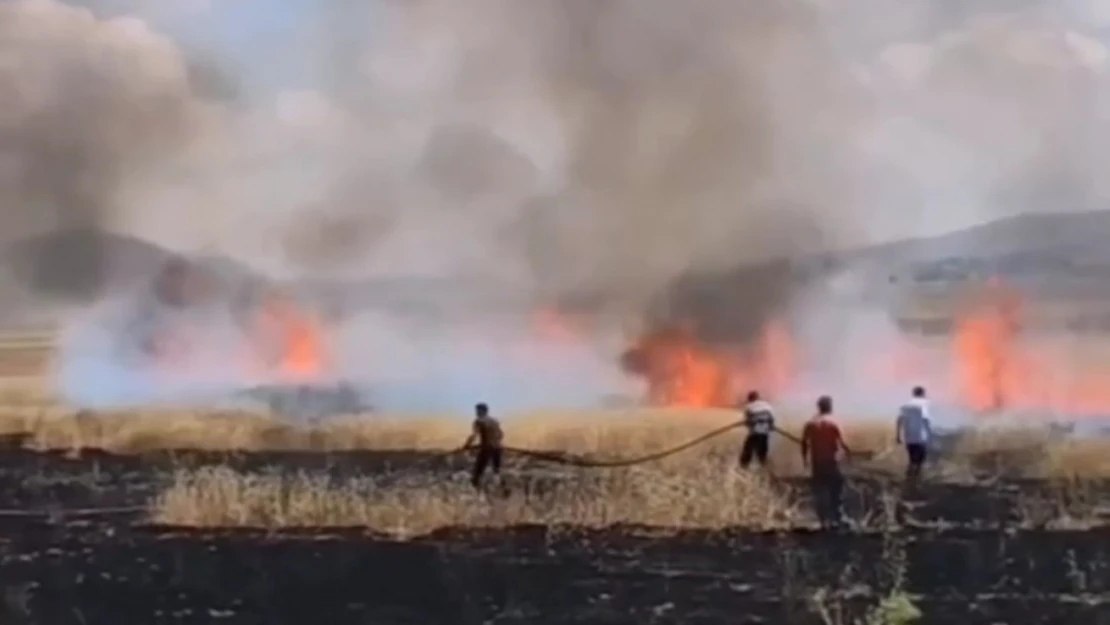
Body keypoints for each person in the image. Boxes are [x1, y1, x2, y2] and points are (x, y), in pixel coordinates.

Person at [801, 395, 852, 529]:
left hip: (817, 462)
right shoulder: (833, 423)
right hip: (831, 461)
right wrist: (848, 454)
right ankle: (837, 516)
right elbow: (843, 442)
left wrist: (805, 460)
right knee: (836, 487)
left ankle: (822, 520)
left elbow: (804, 443)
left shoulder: (811, 423)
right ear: (829, 407)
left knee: (819, 490)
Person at [461, 402, 504, 489]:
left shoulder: (479, 421)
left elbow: (474, 435)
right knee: (496, 470)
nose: (476, 413)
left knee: (478, 471)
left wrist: (466, 446)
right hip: (498, 448)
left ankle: (476, 490)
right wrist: (495, 442)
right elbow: (501, 435)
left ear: (482, 411)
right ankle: (501, 488)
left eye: (477, 411)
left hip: (486, 449)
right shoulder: (495, 421)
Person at [896, 386, 933, 482]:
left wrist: (898, 436)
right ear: (922, 393)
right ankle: (915, 480)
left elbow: (899, 420)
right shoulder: (924, 404)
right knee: (920, 462)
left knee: (912, 461)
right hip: (921, 438)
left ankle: (909, 479)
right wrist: (930, 436)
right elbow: (926, 420)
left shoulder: (905, 406)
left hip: (909, 438)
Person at [739, 390, 775, 469]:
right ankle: (764, 464)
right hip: (765, 432)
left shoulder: (749, 406)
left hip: (755, 432)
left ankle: (744, 465)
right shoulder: (767, 405)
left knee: (748, 449)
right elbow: (771, 419)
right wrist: (771, 426)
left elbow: (747, 422)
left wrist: (749, 423)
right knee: (762, 449)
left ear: (750, 399)